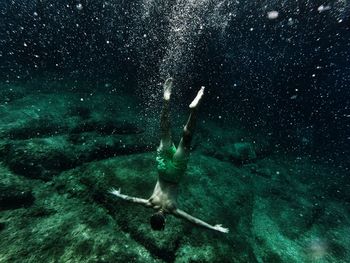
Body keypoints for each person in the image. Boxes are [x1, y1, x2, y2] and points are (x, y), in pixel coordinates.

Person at [109, 78, 229, 233]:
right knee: (165, 132)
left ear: (165, 222)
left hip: (176, 174)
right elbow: (131, 199)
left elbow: (192, 220)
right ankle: (166, 101)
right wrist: (118, 195)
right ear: (152, 216)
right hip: (163, 167)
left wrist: (213, 227)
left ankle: (193, 111)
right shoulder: (150, 203)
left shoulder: (171, 209)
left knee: (186, 138)